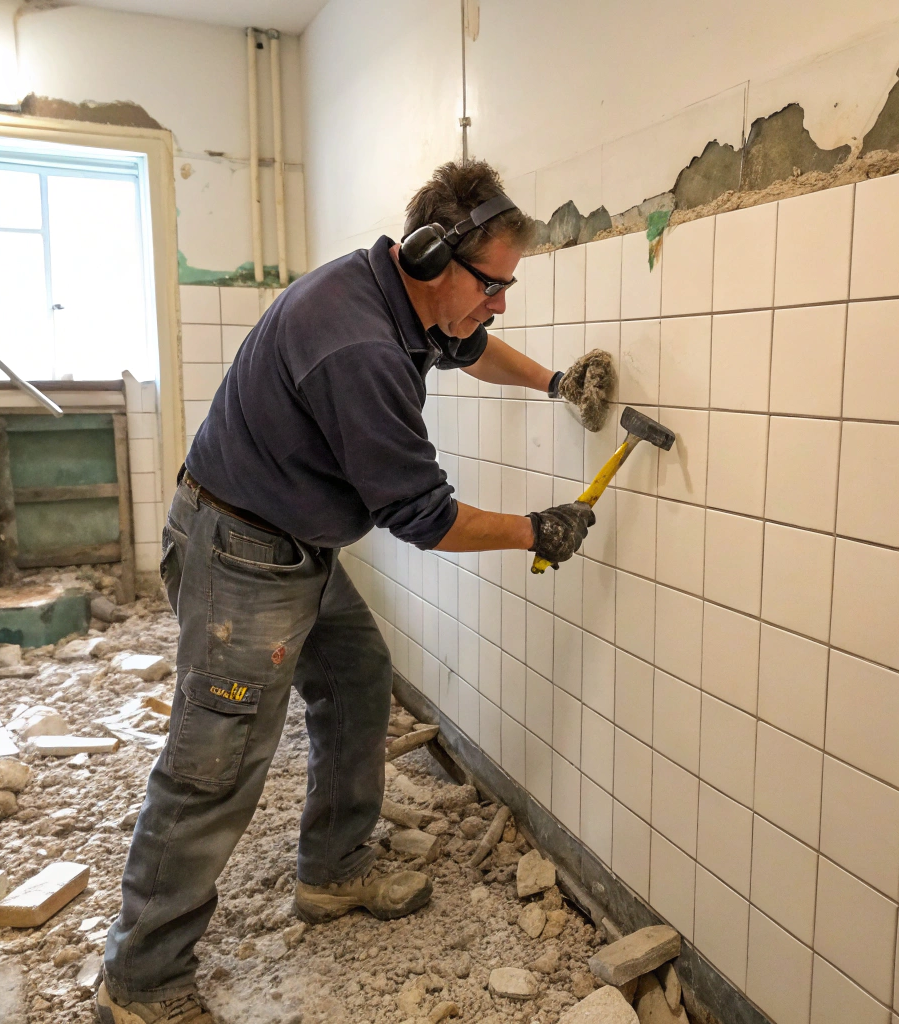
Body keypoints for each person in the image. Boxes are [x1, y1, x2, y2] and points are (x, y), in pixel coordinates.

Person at [96, 160, 612, 1024]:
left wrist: (555, 384)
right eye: (495, 283)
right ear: (431, 256)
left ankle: (332, 873)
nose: (502, 301)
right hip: (242, 553)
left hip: (290, 539)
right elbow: (424, 515)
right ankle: (141, 980)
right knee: (213, 767)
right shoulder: (360, 345)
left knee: (357, 677)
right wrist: (537, 528)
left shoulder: (398, 293)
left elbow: (470, 346)